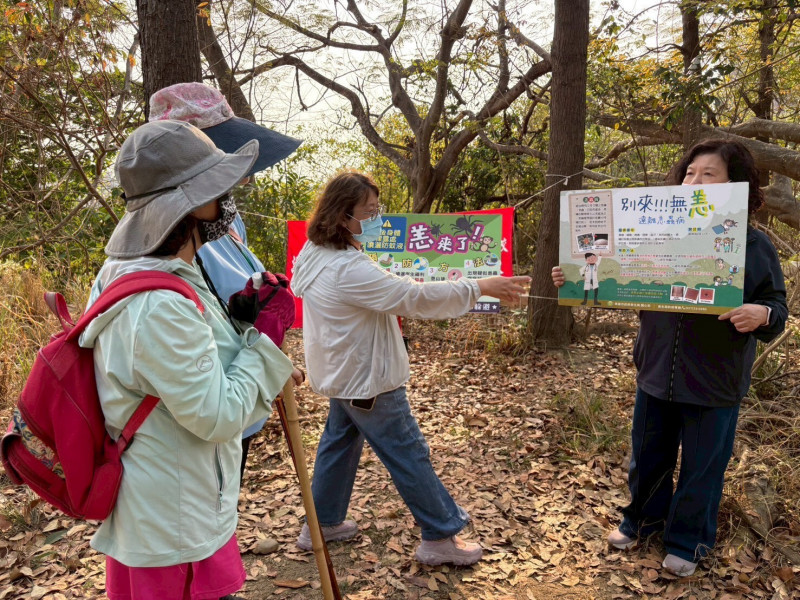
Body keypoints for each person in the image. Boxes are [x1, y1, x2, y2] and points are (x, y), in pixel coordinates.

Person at [80, 120, 298, 600]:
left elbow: (187, 363)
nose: (229, 199)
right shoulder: (159, 303)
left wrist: (241, 320)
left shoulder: (139, 269)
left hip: (168, 501)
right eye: (219, 188)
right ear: (194, 203)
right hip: (173, 520)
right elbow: (218, 415)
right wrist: (267, 338)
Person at [552, 139, 787, 577]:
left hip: (715, 379)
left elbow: (777, 307)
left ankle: (687, 540)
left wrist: (763, 313)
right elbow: (610, 278)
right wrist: (574, 276)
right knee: (647, 456)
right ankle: (641, 522)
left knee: (702, 468)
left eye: (709, 174)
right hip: (657, 370)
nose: (694, 181)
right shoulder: (652, 233)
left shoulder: (752, 244)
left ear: (736, 184)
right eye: (689, 173)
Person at [290, 171, 530, 566]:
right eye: (368, 212)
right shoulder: (345, 267)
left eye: (377, 209)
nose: (377, 218)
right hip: (368, 380)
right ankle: (439, 535)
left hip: (341, 374)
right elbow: (411, 296)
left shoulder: (315, 253)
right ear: (341, 216)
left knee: (338, 445)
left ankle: (322, 524)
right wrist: (480, 287)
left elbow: (390, 291)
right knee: (408, 451)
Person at [148, 82, 303, 478]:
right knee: (214, 493)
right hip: (208, 409)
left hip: (237, 391)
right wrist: (267, 350)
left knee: (224, 495)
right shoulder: (173, 246)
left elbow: (238, 307)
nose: (241, 178)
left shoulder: (226, 220)